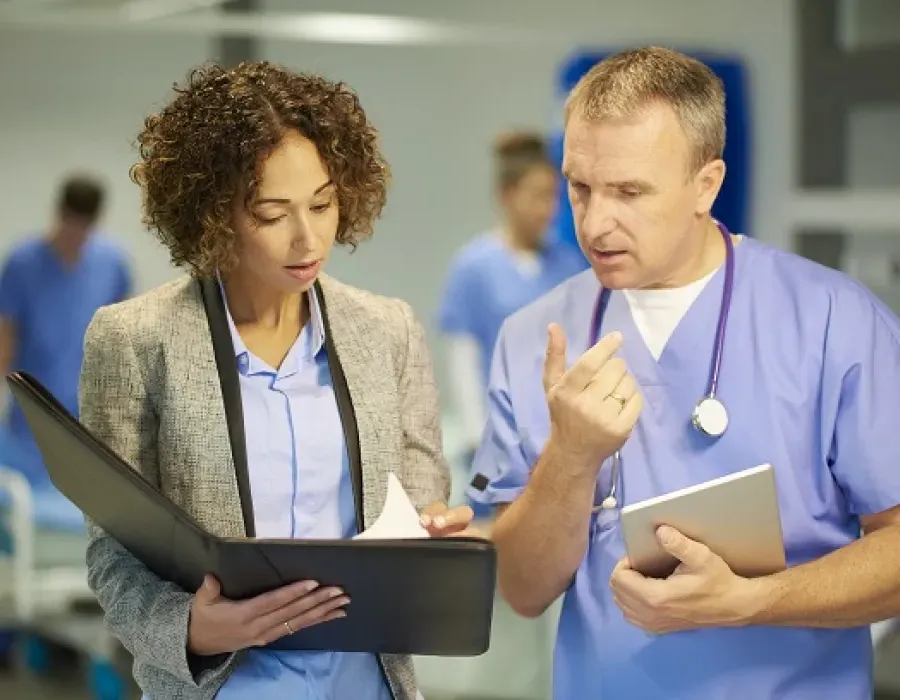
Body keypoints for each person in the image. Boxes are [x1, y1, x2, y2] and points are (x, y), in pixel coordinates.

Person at [467, 46, 900, 700]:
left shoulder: (834, 321)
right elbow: (523, 590)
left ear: (708, 184)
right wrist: (572, 456)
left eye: (629, 192)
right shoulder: (535, 337)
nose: (594, 221)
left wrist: (751, 601)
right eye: (578, 188)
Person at [79, 61, 474, 700]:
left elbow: (423, 493)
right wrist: (188, 629)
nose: (308, 237)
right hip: (224, 684)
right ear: (214, 213)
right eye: (271, 212)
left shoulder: (388, 330)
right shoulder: (135, 339)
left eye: (323, 203)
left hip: (367, 682)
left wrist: (431, 534)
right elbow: (114, 553)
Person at [437, 132, 586, 501]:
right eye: (536, 196)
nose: (546, 208)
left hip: (553, 433)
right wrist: (477, 436)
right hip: (496, 435)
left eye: (552, 197)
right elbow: (462, 355)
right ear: (506, 195)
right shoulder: (474, 266)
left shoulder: (567, 263)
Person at [0, 173, 132, 491]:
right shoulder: (23, 262)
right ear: (57, 213)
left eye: (83, 227)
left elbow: (122, 334)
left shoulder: (111, 264)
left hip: (88, 416)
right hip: (31, 416)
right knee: (22, 504)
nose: (74, 235)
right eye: (69, 223)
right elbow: (5, 335)